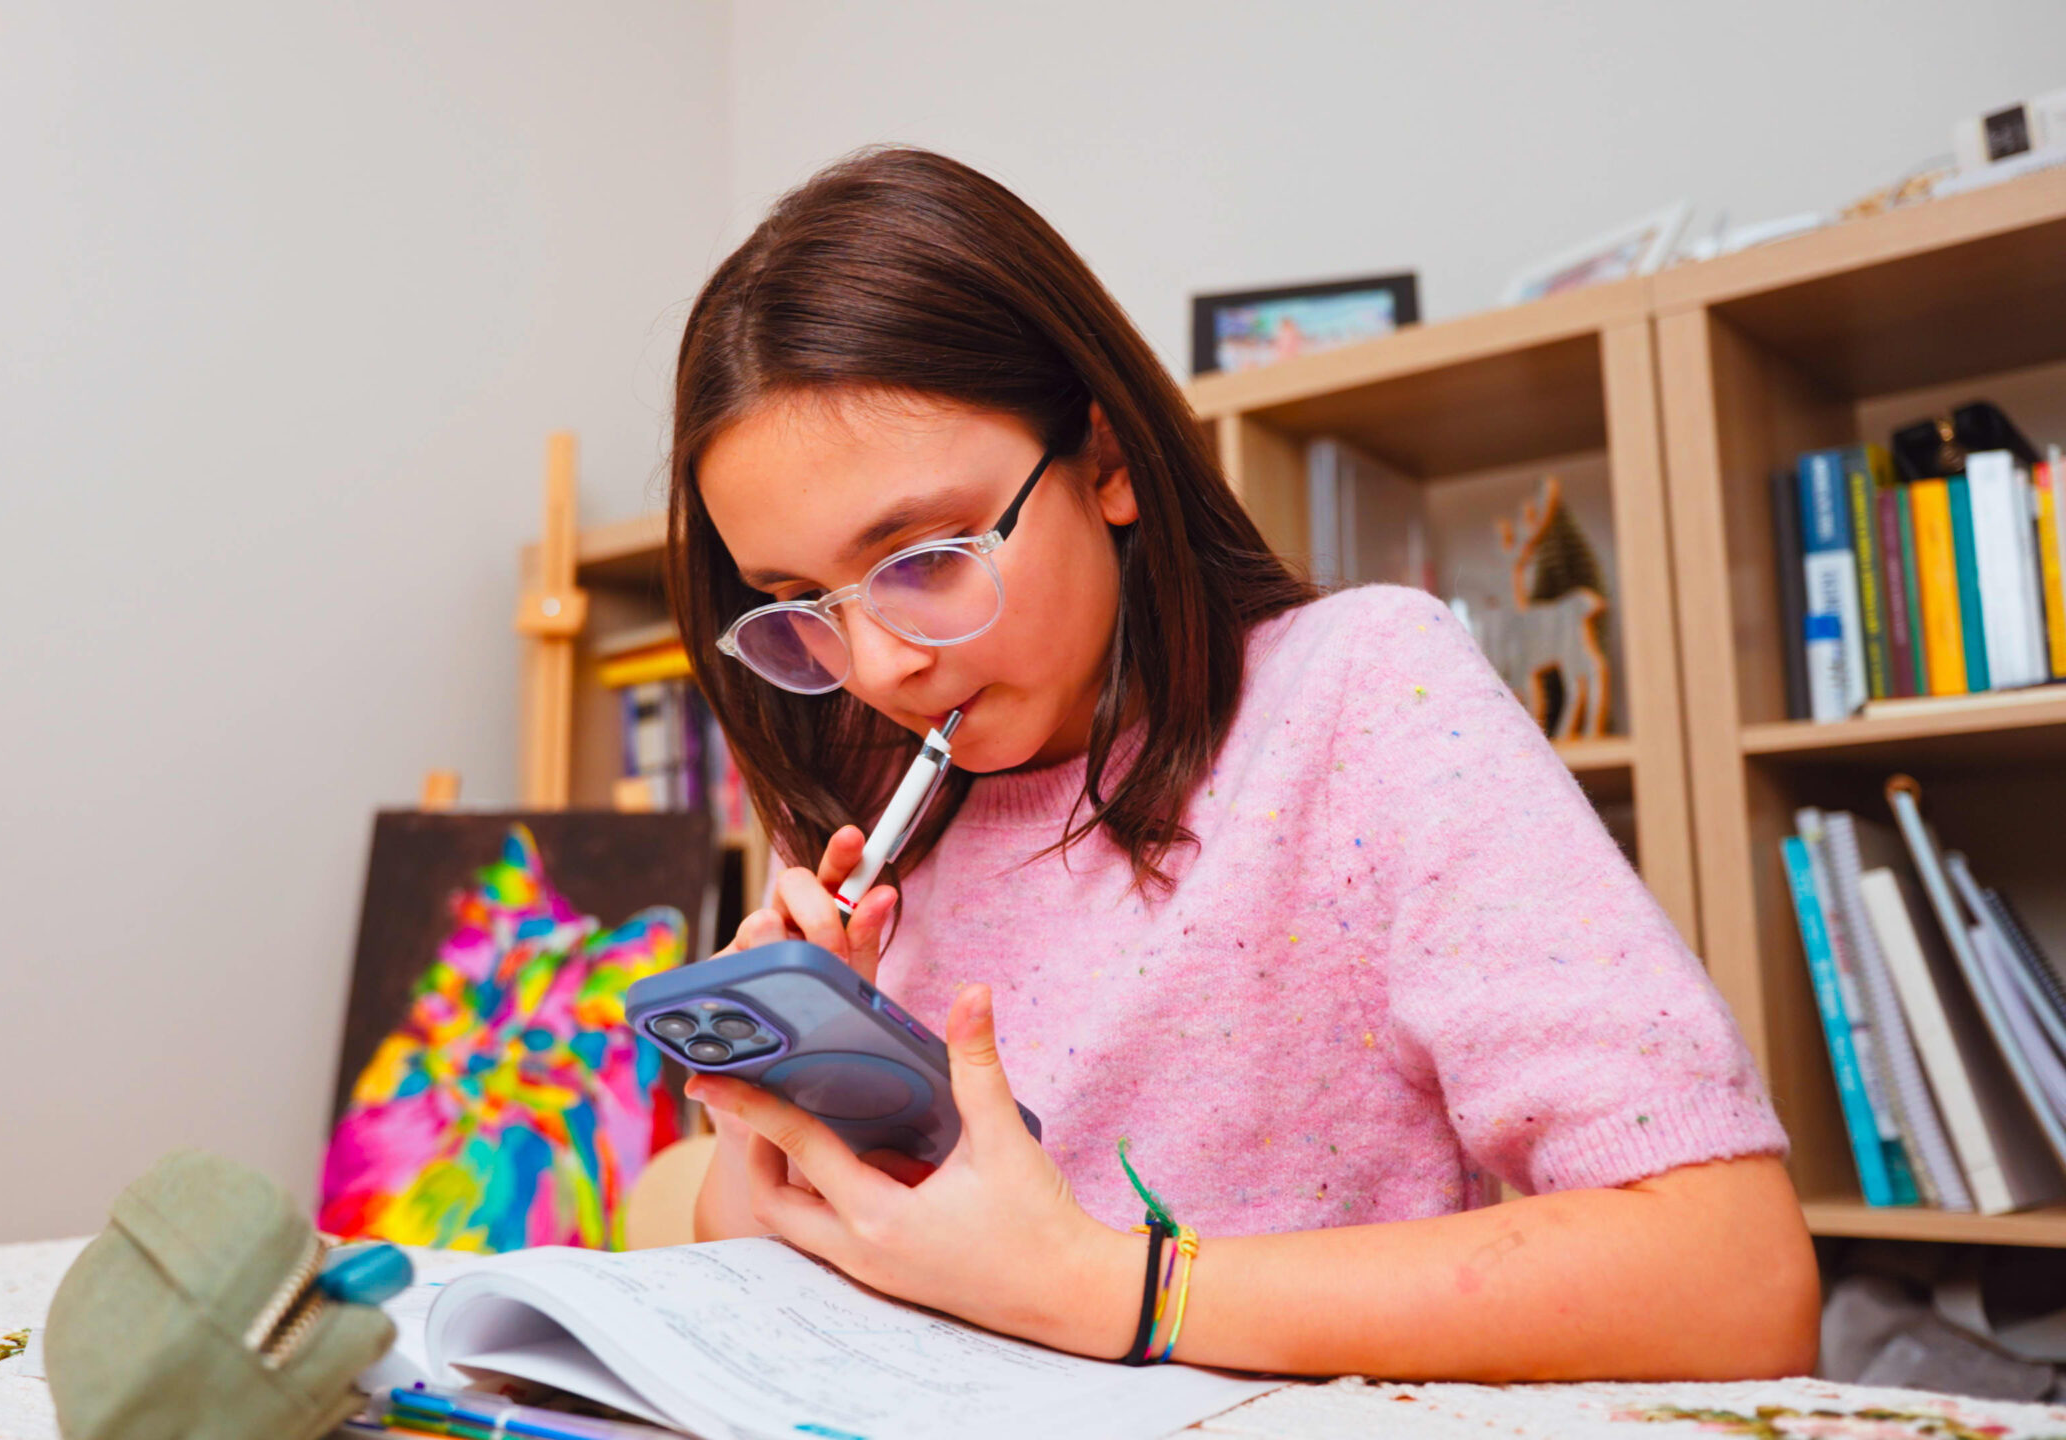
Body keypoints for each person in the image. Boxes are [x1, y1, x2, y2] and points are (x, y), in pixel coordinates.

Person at [659, 146, 1816, 1381]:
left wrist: (1109, 1288)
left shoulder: (1362, 694)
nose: (880, 666)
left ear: (1105, 461)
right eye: (800, 604)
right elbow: (778, 1250)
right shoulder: (859, 793)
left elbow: (1733, 1281)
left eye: (928, 557)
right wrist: (772, 1109)